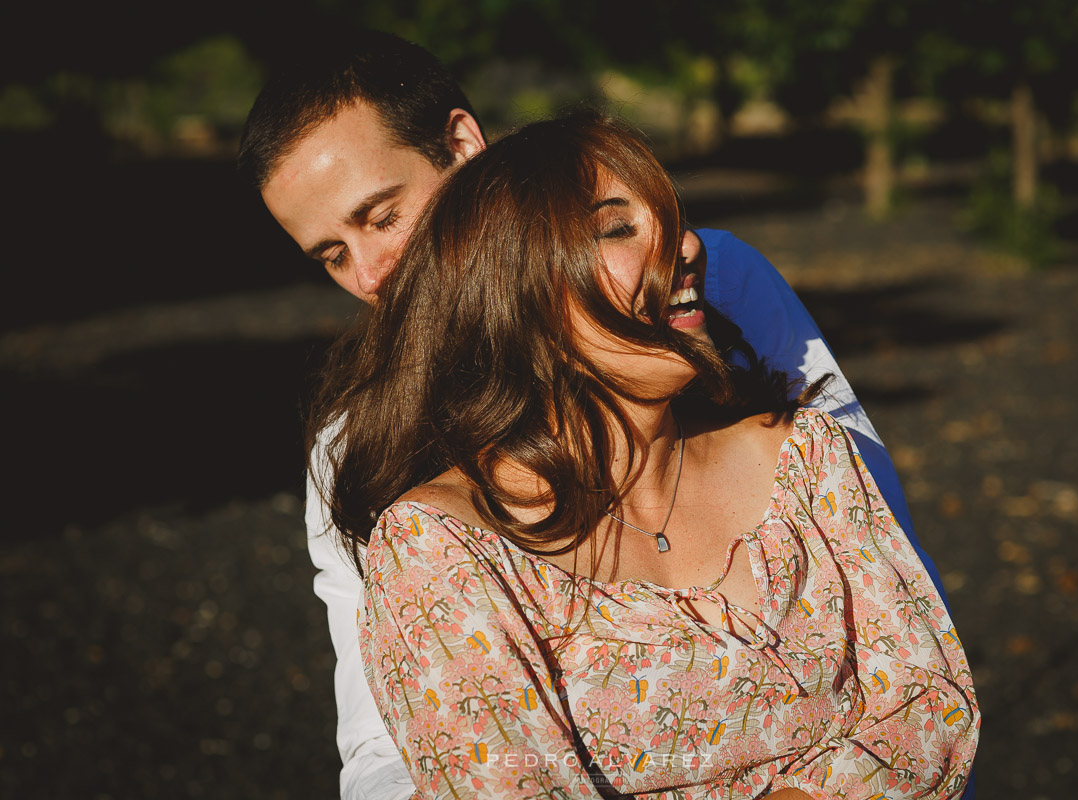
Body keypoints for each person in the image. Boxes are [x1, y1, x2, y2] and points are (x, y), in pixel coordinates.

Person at [238, 31, 969, 800]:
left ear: (461, 145)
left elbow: (901, 625)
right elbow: (382, 752)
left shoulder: (717, 289)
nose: (370, 272)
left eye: (382, 216)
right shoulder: (361, 452)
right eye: (332, 254)